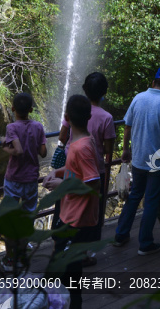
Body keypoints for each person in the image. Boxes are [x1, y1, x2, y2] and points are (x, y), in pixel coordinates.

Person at [113, 66, 160, 255]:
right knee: (151, 200)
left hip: (139, 158)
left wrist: (126, 149)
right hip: (157, 162)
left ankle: (120, 235)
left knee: (135, 196)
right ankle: (145, 243)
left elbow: (127, 126)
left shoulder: (138, 98)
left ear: (153, 82)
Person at [43, 95, 101, 309]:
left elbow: (93, 183)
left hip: (77, 221)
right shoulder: (80, 142)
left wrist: (61, 185)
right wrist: (58, 172)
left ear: (66, 118)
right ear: (89, 117)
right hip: (70, 217)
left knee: (67, 277)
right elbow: (77, 171)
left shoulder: (81, 147)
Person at [58, 72, 116, 239]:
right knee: (91, 209)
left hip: (71, 167)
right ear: (104, 92)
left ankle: (63, 243)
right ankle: (85, 252)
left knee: (68, 206)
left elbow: (62, 136)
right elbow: (108, 150)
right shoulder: (107, 118)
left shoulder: (75, 108)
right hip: (95, 171)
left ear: (84, 89)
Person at [1, 92, 47, 270]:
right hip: (31, 179)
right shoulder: (38, 126)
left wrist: (5, 146)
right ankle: (21, 257)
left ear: (13, 109)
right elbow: (43, 153)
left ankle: (9, 258)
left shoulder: (11, 127)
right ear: (30, 110)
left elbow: (18, 151)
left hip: (13, 179)